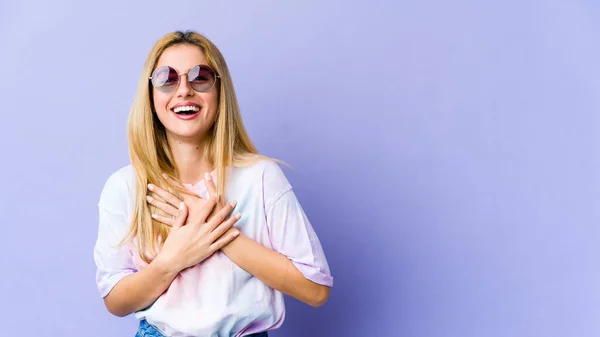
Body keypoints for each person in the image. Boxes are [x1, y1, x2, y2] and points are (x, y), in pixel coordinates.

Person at [92, 30, 334, 337]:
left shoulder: (260, 177)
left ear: (220, 91)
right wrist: (171, 260)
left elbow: (315, 290)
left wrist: (216, 230)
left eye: (200, 77)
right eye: (167, 78)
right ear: (150, 96)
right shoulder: (126, 187)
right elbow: (116, 301)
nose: (184, 91)